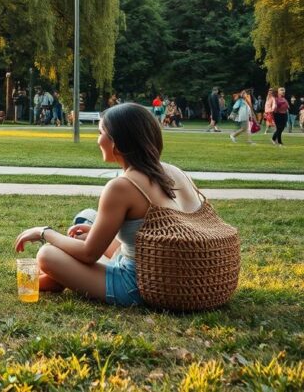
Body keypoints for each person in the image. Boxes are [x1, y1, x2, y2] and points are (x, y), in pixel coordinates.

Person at [14, 103, 204, 306]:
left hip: (139, 284)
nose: (97, 140)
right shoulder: (175, 171)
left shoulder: (122, 186)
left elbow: (89, 254)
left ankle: (59, 276)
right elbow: (156, 234)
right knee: (88, 216)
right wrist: (96, 232)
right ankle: (62, 275)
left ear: (117, 142)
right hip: (174, 272)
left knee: (47, 254)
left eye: (100, 132)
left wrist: (44, 232)